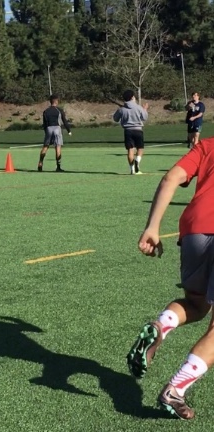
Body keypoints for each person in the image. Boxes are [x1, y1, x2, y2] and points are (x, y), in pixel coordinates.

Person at [127, 136, 214, 419]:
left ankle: (161, 326)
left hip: (195, 229)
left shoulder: (208, 145)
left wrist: (152, 227)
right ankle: (174, 391)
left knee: (197, 304)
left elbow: (170, 178)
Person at [113, 90, 149, 175]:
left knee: (130, 149)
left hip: (128, 131)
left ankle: (132, 170)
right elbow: (145, 117)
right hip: (138, 130)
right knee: (140, 148)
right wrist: (145, 109)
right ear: (132, 97)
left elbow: (115, 119)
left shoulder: (122, 109)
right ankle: (137, 160)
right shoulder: (138, 107)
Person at [37, 94, 71, 172]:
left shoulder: (46, 111)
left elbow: (44, 124)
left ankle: (40, 163)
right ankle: (58, 167)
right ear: (56, 101)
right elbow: (64, 121)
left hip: (48, 128)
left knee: (46, 146)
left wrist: (46, 132)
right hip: (57, 128)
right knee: (58, 147)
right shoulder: (59, 110)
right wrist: (69, 131)